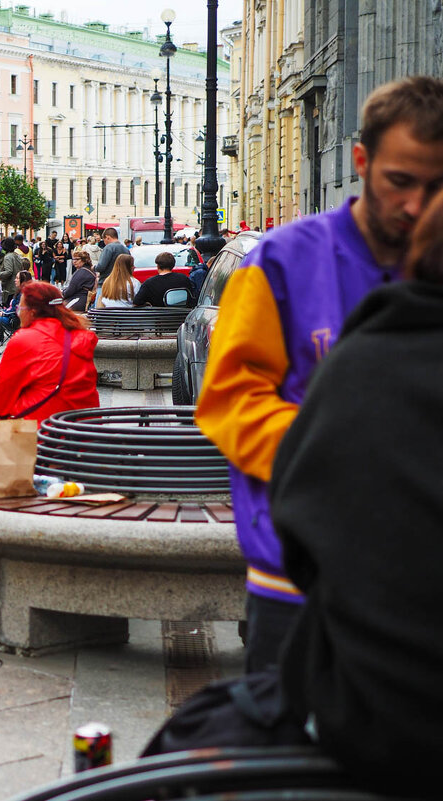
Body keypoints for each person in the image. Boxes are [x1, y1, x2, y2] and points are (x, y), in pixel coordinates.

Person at [195, 75, 443, 673]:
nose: (416, 206)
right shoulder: (280, 262)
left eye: (436, 187)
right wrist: (346, 462)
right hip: (297, 579)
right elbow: (229, 401)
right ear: (362, 160)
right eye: (400, 182)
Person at [0, 281, 99, 423]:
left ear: (31, 312)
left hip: (46, 434)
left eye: (20, 308)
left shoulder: (25, 340)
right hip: (85, 432)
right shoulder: (80, 335)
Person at [0, 237, 21, 303]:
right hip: (15, 287)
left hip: (10, 288)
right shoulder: (16, 255)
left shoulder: (8, 257)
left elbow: (9, 272)